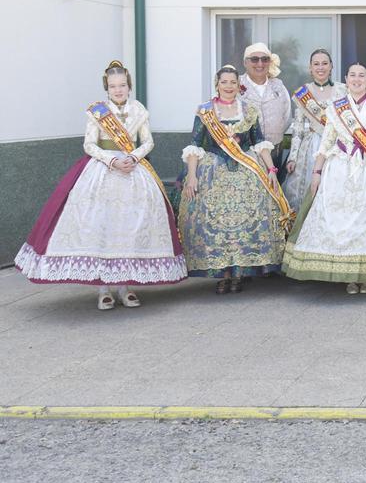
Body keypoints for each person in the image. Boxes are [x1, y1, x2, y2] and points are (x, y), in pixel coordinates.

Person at [15, 61, 186, 309]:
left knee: (129, 228)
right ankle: (103, 288)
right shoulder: (97, 111)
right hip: (102, 171)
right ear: (107, 88)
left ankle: (125, 286)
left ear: (129, 87)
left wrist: (134, 157)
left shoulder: (139, 110)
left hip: (133, 170)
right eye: (113, 86)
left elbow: (148, 142)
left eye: (123, 85)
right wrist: (113, 160)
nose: (118, 90)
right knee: (100, 226)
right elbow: (89, 145)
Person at [283, 63, 366, 294]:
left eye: (362, 76)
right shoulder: (336, 107)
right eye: (353, 75)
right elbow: (326, 143)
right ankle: (348, 277)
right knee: (340, 221)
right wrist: (316, 173)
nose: (357, 79)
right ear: (346, 80)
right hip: (340, 168)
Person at [179, 66, 290, 294]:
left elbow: (259, 143)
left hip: (247, 170)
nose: (228, 86)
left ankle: (239, 273)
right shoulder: (205, 112)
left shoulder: (248, 111)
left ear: (238, 86)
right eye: (224, 82)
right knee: (214, 224)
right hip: (213, 173)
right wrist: (191, 176)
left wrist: (271, 169)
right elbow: (195, 146)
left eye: (232, 82)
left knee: (249, 220)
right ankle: (222, 274)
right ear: (217, 84)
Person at [283, 49, 346, 210]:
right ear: (310, 68)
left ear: (331, 66)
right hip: (311, 146)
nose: (320, 67)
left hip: (337, 146)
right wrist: (292, 157)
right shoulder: (303, 92)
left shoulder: (343, 90)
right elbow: (297, 128)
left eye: (325, 63)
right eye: (316, 64)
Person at [239, 42, 292, 169]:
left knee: (274, 187)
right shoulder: (235, 85)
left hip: (274, 152)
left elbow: (287, 118)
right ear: (245, 63)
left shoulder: (279, 87)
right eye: (254, 59)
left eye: (265, 59)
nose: (260, 64)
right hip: (245, 154)